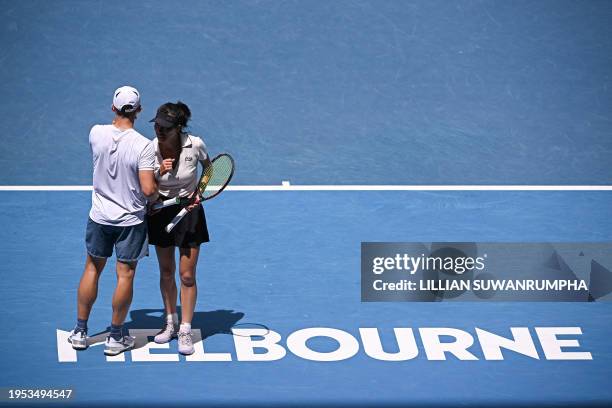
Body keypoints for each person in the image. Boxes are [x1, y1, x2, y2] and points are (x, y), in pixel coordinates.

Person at [68, 86, 157, 356]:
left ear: (113, 108)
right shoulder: (144, 146)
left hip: (100, 217)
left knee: (92, 269)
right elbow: (148, 190)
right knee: (125, 274)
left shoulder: (96, 133)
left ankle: (81, 331)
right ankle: (115, 337)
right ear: (139, 111)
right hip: (129, 221)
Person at [147, 101, 211, 355]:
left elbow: (209, 170)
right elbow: (144, 186)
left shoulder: (195, 144)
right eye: (157, 125)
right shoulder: (149, 149)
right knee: (166, 271)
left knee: (186, 275)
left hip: (190, 214)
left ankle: (185, 328)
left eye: (165, 127)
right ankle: (170, 323)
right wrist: (156, 173)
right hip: (161, 212)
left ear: (178, 128)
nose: (159, 131)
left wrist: (200, 193)